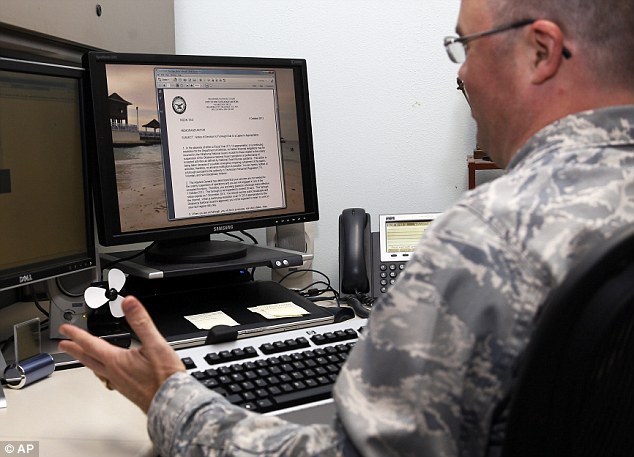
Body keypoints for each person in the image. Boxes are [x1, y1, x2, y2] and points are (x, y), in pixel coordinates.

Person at [59, 0, 634, 455]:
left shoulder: (487, 239)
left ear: (540, 51)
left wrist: (169, 399)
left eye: (466, 45)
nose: (461, 74)